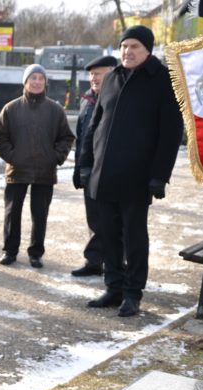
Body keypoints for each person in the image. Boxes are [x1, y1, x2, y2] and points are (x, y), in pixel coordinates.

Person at [80, 26, 184, 317]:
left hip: (137, 176)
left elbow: (171, 132)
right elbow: (94, 125)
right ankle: (113, 288)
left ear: (148, 49)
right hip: (104, 174)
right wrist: (85, 164)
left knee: (134, 239)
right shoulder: (112, 77)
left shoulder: (163, 80)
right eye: (124, 46)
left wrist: (160, 175)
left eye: (134, 46)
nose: (128, 51)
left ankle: (132, 294)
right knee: (108, 234)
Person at [0, 64, 75, 268]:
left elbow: (66, 137)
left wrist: (55, 157)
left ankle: (36, 253)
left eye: (40, 78)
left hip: (44, 171)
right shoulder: (11, 108)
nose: (37, 82)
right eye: (33, 78)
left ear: (45, 82)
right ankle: (10, 251)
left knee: (40, 214)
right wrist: (12, 156)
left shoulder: (55, 110)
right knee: (12, 212)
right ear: (25, 81)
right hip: (16, 170)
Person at [70, 55, 117, 277]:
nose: (93, 78)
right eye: (91, 74)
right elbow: (81, 138)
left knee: (112, 221)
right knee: (94, 219)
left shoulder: (118, 98)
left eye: (98, 73)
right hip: (89, 171)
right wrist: (79, 169)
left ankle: (115, 264)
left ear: (111, 73)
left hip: (109, 171)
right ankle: (95, 261)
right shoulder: (87, 99)